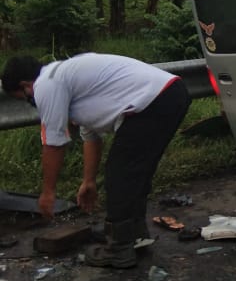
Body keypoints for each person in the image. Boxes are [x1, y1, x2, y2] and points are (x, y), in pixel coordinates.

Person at [1, 53, 191, 269]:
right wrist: (88, 181)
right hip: (169, 95)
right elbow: (91, 135)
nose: (30, 103)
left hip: (153, 102)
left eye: (23, 98)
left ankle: (119, 248)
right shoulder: (69, 80)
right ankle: (132, 234)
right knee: (135, 172)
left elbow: (54, 143)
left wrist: (48, 192)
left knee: (120, 174)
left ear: (25, 86)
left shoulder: (47, 84)